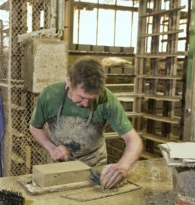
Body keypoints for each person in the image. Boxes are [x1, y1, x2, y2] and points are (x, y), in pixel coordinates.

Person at [29, 56, 143, 189]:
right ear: (69, 81)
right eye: (81, 97)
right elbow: (34, 127)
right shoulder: (50, 95)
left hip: (95, 166)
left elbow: (134, 140)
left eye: (92, 99)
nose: (85, 104)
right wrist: (52, 148)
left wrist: (124, 164)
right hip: (59, 166)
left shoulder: (107, 100)